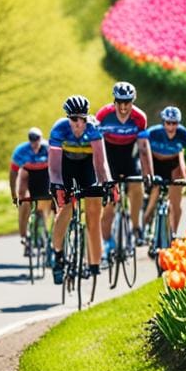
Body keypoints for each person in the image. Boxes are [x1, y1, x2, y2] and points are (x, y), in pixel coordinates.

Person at [47, 95, 112, 285]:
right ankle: (57, 254)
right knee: (66, 208)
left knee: (94, 211)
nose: (78, 123)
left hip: (86, 167)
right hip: (65, 167)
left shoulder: (94, 128)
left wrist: (106, 182)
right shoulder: (59, 129)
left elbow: (100, 163)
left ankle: (93, 264)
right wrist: (57, 185)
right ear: (68, 118)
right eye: (74, 118)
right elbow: (54, 166)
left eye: (81, 118)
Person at [95, 81, 153, 261]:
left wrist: (148, 172)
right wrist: (99, 174)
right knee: (109, 208)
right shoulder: (103, 115)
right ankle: (107, 244)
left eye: (127, 102)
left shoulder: (139, 117)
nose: (122, 106)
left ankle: (136, 227)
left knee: (137, 187)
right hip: (108, 158)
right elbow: (96, 146)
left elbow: (143, 148)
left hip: (128, 157)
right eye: (119, 101)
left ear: (132, 101)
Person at [140, 106, 186, 240]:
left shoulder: (184, 134)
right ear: (163, 122)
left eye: (174, 123)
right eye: (168, 123)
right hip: (156, 163)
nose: (171, 127)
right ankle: (143, 225)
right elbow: (140, 140)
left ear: (178, 123)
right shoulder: (154, 132)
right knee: (155, 191)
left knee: (175, 203)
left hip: (173, 164)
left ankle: (173, 234)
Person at [9, 127, 53, 255]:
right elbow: (13, 173)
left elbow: (57, 167)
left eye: (37, 140)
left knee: (45, 204)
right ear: (29, 140)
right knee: (25, 202)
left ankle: (43, 229)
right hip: (28, 175)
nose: (34, 143)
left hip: (45, 175)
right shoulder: (21, 151)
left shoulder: (48, 148)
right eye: (32, 140)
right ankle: (25, 238)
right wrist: (14, 194)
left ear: (41, 139)